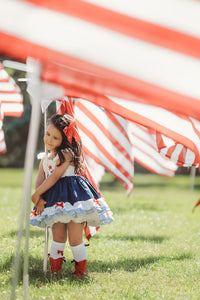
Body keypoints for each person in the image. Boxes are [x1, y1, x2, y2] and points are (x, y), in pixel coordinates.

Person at [30, 114, 113, 277]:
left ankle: (80, 272)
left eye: (55, 137)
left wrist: (36, 194)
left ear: (65, 140)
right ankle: (55, 270)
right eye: (48, 134)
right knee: (58, 236)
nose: (49, 140)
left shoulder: (67, 154)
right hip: (55, 201)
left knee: (75, 238)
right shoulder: (44, 159)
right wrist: (39, 198)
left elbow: (55, 177)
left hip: (74, 200)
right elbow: (41, 179)